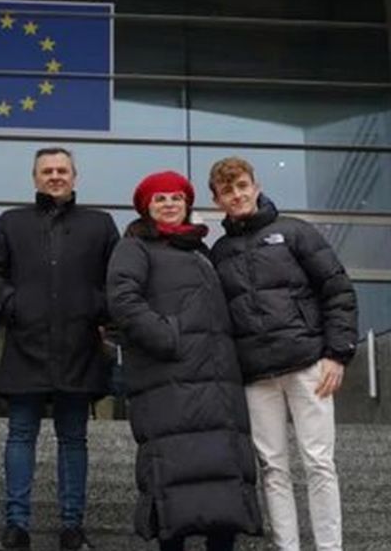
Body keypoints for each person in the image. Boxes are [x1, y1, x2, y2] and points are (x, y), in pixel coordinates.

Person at [106, 171, 262, 551]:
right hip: (168, 381)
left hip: (217, 383)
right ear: (146, 208)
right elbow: (123, 300)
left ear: (187, 204)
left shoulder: (201, 250)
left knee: (222, 473)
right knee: (172, 475)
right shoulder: (135, 247)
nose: (169, 204)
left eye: (176, 197)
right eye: (159, 199)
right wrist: (167, 337)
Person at [207, 157, 357, 551]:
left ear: (255, 186)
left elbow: (337, 290)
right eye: (227, 191)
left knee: (318, 462)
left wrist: (337, 354)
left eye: (242, 186)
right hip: (256, 376)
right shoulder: (218, 253)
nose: (237, 195)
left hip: (308, 364)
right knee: (272, 468)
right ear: (217, 200)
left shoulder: (294, 232)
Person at [0, 147, 119, 551]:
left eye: (62, 170)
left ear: (74, 176)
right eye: (47, 171)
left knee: (74, 439)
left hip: (79, 347)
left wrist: (96, 307)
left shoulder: (100, 224)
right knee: (20, 435)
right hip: (26, 344)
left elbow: (117, 277)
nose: (55, 176)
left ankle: (72, 526)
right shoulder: (11, 222)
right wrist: (12, 304)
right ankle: (16, 525)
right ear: (35, 178)